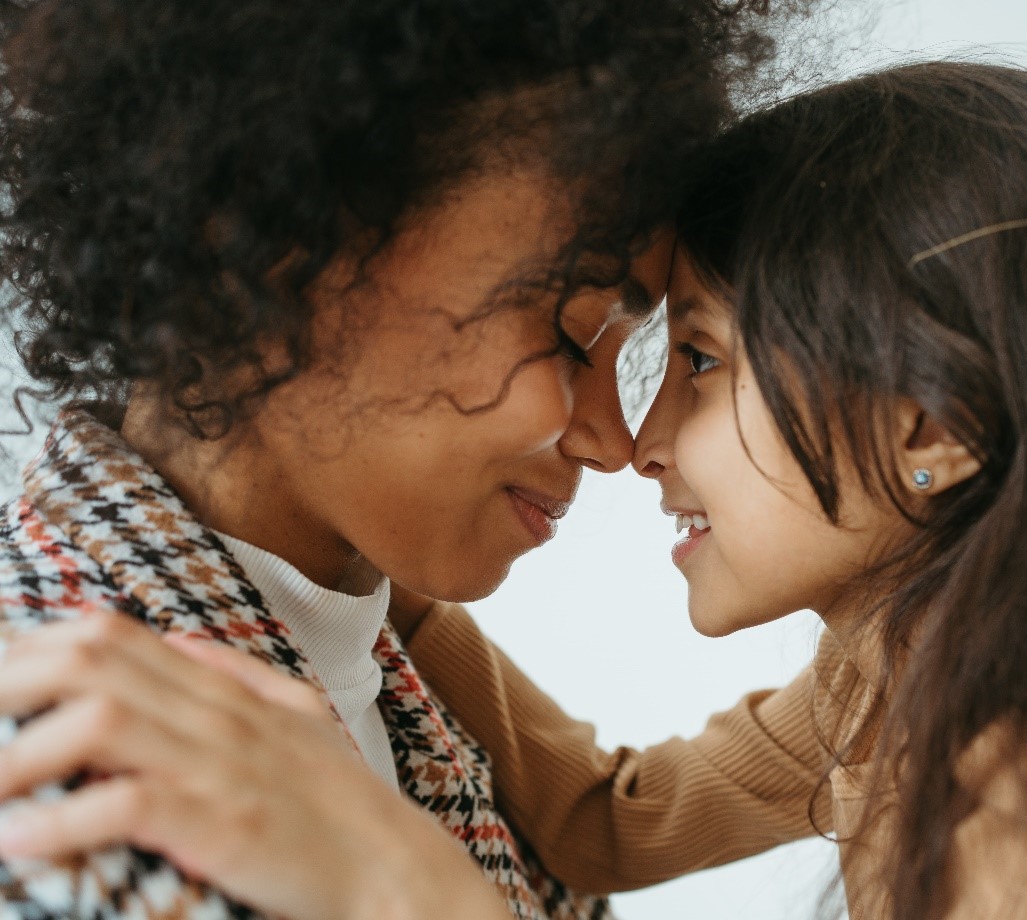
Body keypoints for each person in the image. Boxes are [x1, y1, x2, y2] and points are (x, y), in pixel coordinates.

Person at [6, 59, 1027, 920]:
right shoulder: (885, 683)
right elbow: (608, 817)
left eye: (695, 359)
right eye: (571, 326)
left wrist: (394, 888)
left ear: (934, 427)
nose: (632, 441)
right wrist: (379, 603)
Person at [0, 1, 820, 918]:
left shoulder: (389, 668)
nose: (612, 441)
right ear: (276, 253)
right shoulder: (61, 767)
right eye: (571, 327)